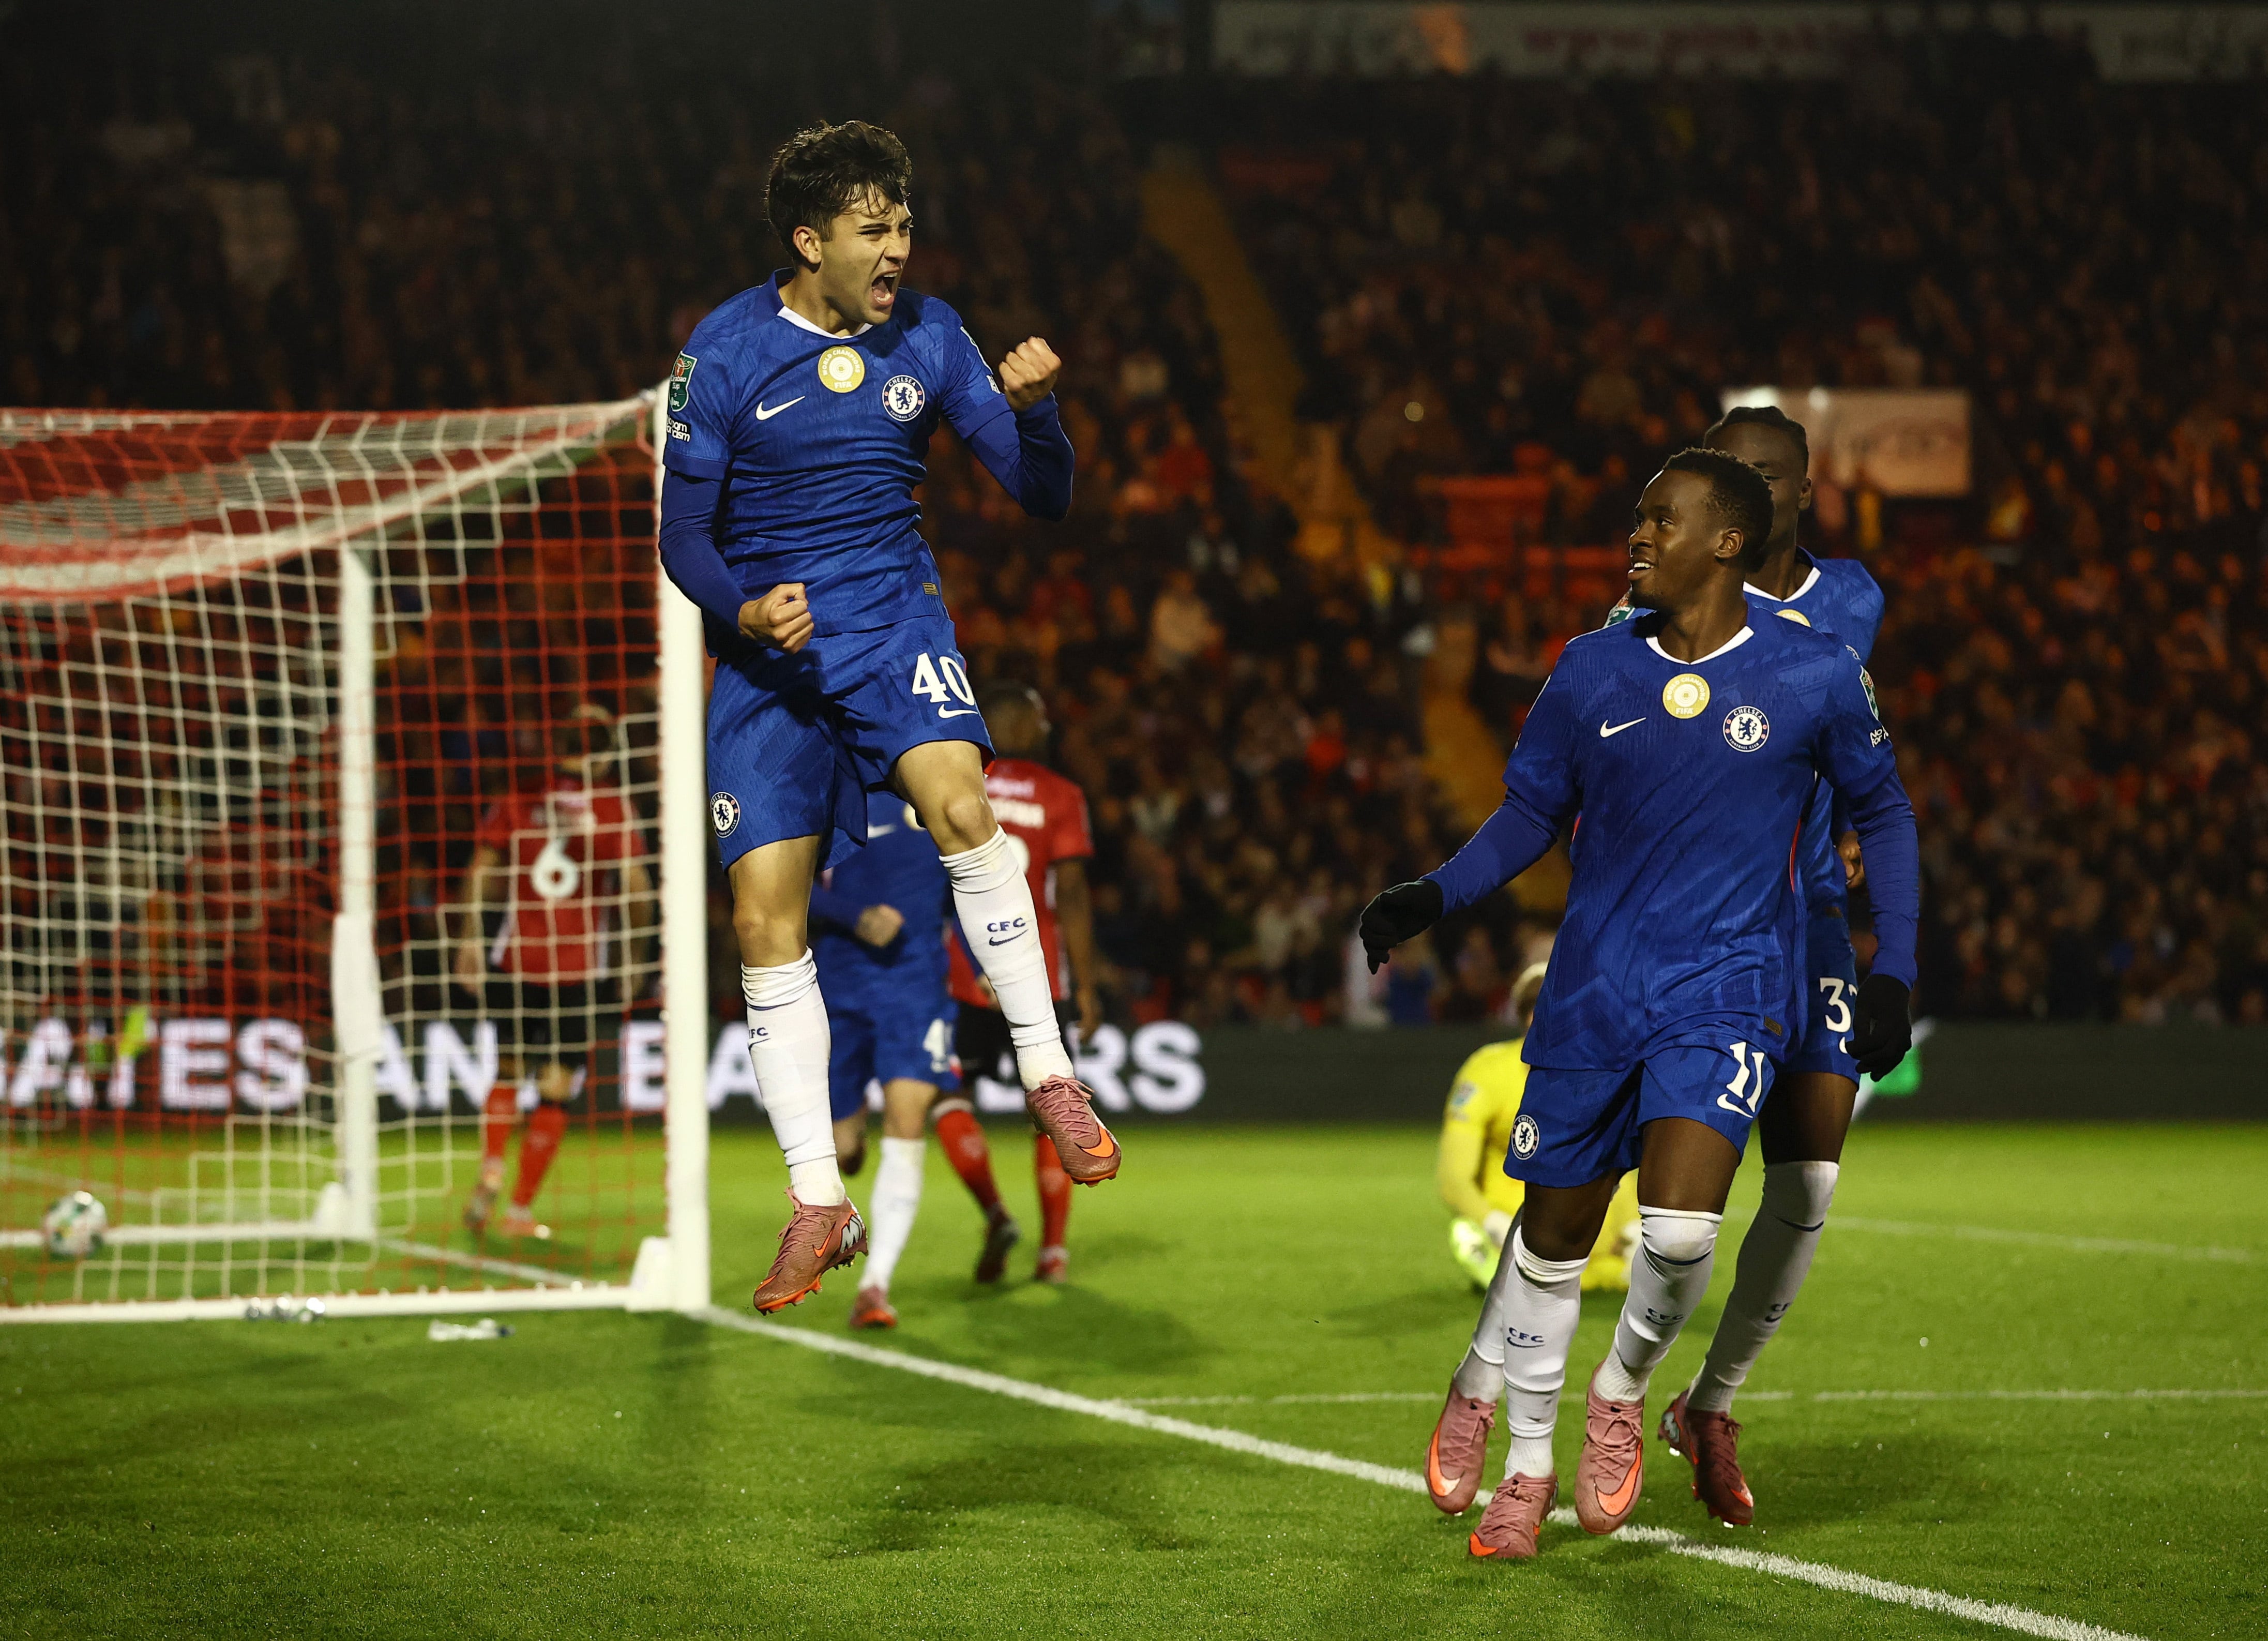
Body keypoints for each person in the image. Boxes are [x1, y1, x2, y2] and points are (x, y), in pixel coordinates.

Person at [1363, 447, 1918, 1561]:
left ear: (1728, 541)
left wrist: (1891, 966)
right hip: (1593, 988)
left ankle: (1621, 1391)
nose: (1637, 537)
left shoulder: (1813, 673)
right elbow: (1529, 816)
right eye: (1636, 520)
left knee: (1673, 1230)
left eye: (1661, 521)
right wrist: (1436, 891)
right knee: (1556, 1237)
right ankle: (1525, 1468)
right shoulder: (1588, 668)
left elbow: (1888, 817)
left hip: (1727, 988)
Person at [655, 122, 1120, 1317]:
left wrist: (1041, 412)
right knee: (763, 924)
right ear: (808, 240)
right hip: (771, 655)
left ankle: (1051, 1073)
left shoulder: (934, 334)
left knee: (965, 805)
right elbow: (681, 543)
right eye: (874, 228)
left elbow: (1040, 496)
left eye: (904, 225)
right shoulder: (721, 351)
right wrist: (746, 610)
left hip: (893, 624)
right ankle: (819, 1199)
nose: (897, 249)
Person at [1650, 404, 1888, 1525]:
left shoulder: (1853, 598)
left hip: (1816, 918)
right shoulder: (1660, 600)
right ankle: (1552, 1390)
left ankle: (1713, 1402)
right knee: (1653, 1194)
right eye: (1732, 470)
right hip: (1694, 920)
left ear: (1802, 489)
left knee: (1810, 1176)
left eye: (1773, 474)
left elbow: (1840, 734)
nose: (1754, 487)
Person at [451, 704, 652, 1240]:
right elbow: (635, 888)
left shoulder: (521, 799)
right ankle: (519, 1209)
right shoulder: (613, 808)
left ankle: (493, 1162)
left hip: (517, 959)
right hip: (580, 970)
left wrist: (470, 936)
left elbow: (481, 868)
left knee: (508, 1069)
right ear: (608, 751)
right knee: (557, 1087)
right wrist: (637, 955)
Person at [937, 681, 1102, 1285]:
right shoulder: (1061, 795)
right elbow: (1074, 893)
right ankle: (1053, 1250)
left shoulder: (955, 778)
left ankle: (995, 1211)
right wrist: (1087, 985)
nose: (1045, 729)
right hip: (1040, 978)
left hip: (965, 977)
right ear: (1019, 723)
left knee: (948, 1098)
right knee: (1054, 1109)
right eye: (1038, 719)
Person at [807, 789, 959, 1332]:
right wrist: (854, 915)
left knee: (909, 1117)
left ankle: (876, 1286)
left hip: (916, 988)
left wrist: (984, 961)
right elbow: (779, 890)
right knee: (842, 1149)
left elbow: (966, 888)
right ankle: (854, 1146)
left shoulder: (939, 792)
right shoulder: (828, 796)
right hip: (840, 986)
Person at [1438, 962, 1637, 1294]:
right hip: (1516, 1228)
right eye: (1537, 1008)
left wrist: (1631, 1229)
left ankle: (1518, 1274)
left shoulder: (1601, 1075)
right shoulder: (1488, 1071)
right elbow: (1453, 1178)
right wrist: (1493, 1223)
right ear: (1525, 1015)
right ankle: (1504, 1260)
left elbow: (1618, 1164)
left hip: (1590, 1240)